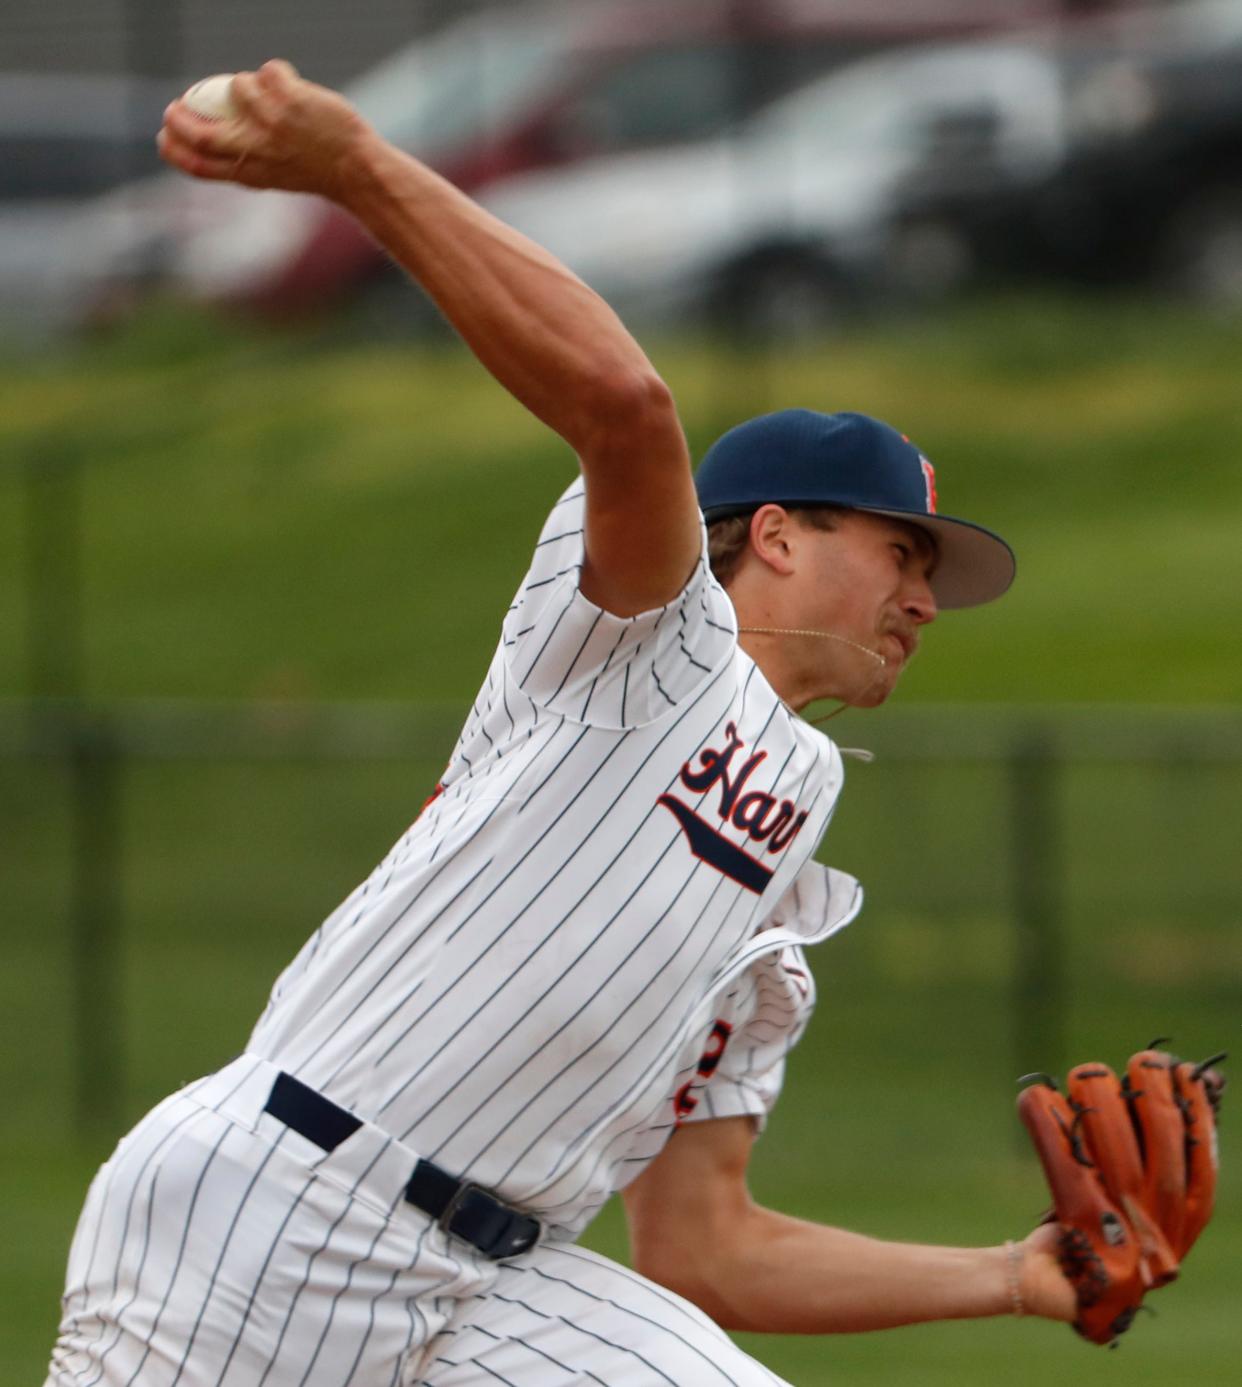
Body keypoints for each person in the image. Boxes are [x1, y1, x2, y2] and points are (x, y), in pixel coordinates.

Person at [47, 61, 1075, 1387]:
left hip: (486, 1281)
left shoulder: (777, 878)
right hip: (276, 1211)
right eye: (902, 555)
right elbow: (627, 411)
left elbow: (707, 1252)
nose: (924, 599)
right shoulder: (650, 641)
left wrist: (1010, 1273)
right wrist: (358, 164)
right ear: (773, 533)